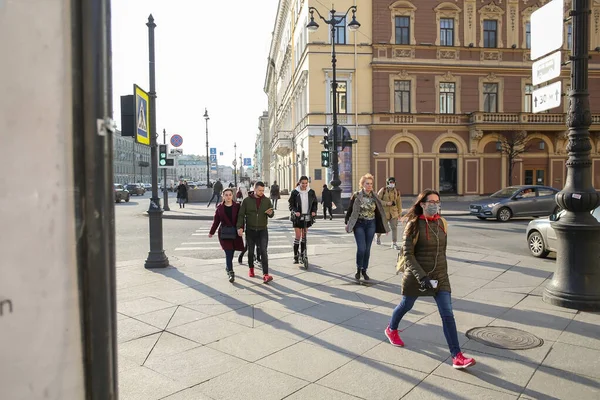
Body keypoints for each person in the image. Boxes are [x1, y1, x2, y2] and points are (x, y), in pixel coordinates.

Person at [384, 189, 476, 370]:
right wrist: (422, 276)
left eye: (437, 201)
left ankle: (457, 355)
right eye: (431, 201)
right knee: (406, 305)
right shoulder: (413, 225)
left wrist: (442, 274)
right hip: (417, 275)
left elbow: (442, 252)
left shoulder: (442, 223)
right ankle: (391, 329)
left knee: (447, 314)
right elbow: (408, 255)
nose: (435, 205)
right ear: (422, 204)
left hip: (440, 275)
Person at [345, 173, 389, 281]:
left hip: (371, 224)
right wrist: (347, 223)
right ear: (362, 184)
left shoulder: (375, 196)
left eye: (371, 183)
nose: (369, 185)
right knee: (361, 248)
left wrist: (385, 226)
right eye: (367, 183)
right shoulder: (356, 195)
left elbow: (380, 211)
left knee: (367, 249)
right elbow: (350, 210)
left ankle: (364, 270)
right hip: (359, 224)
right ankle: (358, 269)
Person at [236, 181, 275, 283]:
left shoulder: (266, 201)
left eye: (263, 190)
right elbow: (241, 215)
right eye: (259, 190)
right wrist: (240, 227)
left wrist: (271, 213)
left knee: (264, 251)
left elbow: (271, 213)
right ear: (254, 189)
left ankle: (266, 274)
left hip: (263, 230)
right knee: (251, 251)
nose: (262, 192)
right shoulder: (247, 201)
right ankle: (251, 269)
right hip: (250, 230)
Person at [208, 189, 245, 283]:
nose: (228, 197)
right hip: (224, 234)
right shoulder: (220, 208)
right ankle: (231, 272)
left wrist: (241, 228)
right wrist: (211, 232)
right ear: (222, 196)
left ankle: (227, 267)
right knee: (228, 253)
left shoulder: (237, 206)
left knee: (231, 253)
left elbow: (241, 219)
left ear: (232, 196)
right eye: (226, 195)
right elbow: (216, 221)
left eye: (230, 195)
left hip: (234, 233)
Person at [288, 176, 318, 264]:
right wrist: (295, 211)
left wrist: (313, 211)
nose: (304, 185)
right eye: (303, 183)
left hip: (307, 216)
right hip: (297, 217)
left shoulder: (311, 192)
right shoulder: (295, 192)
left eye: (306, 183)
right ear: (299, 183)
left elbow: (315, 203)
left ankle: (303, 254)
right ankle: (295, 256)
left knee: (304, 236)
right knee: (298, 236)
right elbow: (291, 205)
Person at [376, 177, 403, 249]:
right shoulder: (383, 190)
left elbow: (398, 202)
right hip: (384, 213)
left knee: (394, 227)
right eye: (390, 182)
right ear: (387, 183)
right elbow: (377, 200)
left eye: (393, 182)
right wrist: (386, 203)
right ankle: (378, 236)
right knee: (383, 227)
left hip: (393, 213)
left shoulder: (396, 191)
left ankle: (394, 243)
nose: (392, 184)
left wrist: (400, 212)